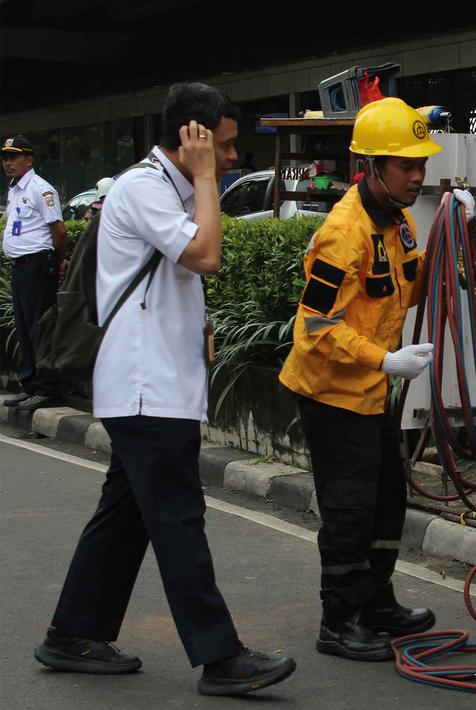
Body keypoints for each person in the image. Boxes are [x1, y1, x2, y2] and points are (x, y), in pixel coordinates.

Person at [34, 82, 296, 696]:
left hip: (155, 385)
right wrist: (207, 177)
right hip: (146, 388)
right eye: (224, 146)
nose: (233, 158)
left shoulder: (168, 189)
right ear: (192, 138)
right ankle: (220, 657)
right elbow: (206, 255)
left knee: (124, 517)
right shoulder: (144, 187)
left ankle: (71, 634)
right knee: (178, 518)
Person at [279, 97, 458, 661]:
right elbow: (313, 327)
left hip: (371, 390)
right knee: (349, 509)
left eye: (420, 165)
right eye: (406, 166)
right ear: (374, 166)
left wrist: (454, 233)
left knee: (387, 500)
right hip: (331, 392)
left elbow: (412, 284)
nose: (417, 175)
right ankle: (340, 620)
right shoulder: (342, 234)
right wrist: (384, 361)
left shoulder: (400, 223)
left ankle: (376, 601)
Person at [2, 135, 65, 411]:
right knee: (25, 330)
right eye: (5, 158)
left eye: (13, 157)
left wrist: (58, 260)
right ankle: (30, 386)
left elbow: (59, 231)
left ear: (29, 159)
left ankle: (47, 388)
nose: (8, 163)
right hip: (20, 269)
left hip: (38, 266)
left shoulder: (42, 189)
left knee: (41, 329)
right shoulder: (14, 189)